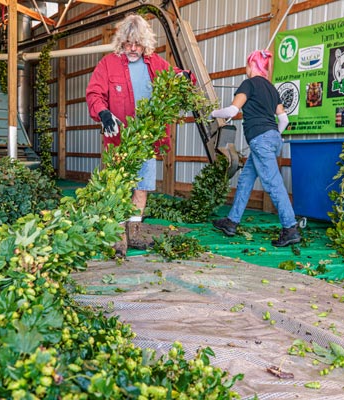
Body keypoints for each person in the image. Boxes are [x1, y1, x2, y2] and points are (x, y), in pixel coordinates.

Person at [86, 13, 192, 255]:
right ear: (121, 42)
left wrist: (183, 77)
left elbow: (174, 77)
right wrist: (103, 113)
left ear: (145, 43)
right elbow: (94, 94)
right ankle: (117, 235)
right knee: (118, 187)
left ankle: (134, 233)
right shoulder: (108, 64)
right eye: (128, 43)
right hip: (119, 141)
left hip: (146, 139)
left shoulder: (155, 63)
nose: (133, 49)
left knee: (141, 187)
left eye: (138, 44)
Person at [210, 49, 301, 247]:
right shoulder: (271, 88)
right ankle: (231, 222)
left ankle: (290, 228)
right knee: (246, 179)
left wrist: (212, 112)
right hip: (271, 139)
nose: (246, 68)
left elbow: (233, 110)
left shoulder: (248, 84)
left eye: (247, 64)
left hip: (260, 140)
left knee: (273, 184)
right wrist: (273, 135)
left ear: (252, 65)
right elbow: (284, 119)